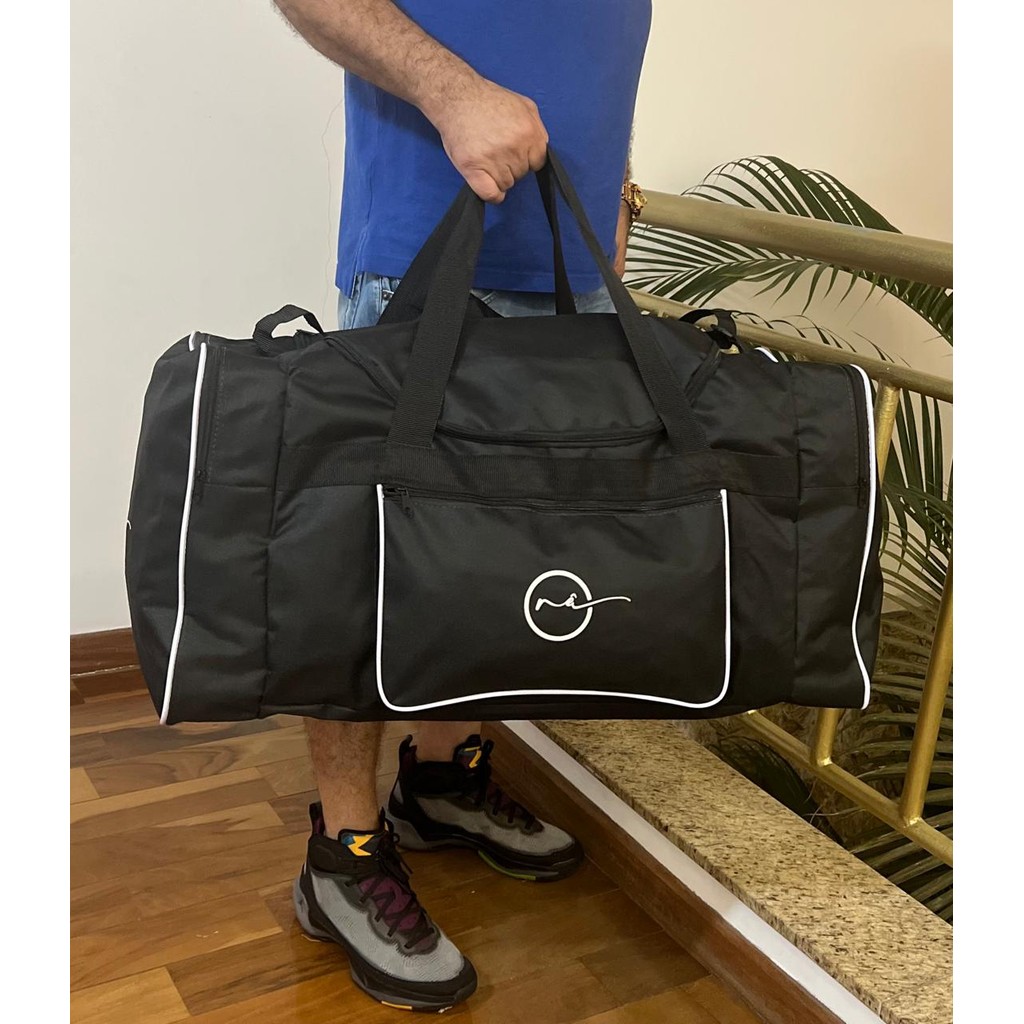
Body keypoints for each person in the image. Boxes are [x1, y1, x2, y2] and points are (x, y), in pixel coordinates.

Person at [274, 0, 652, 1012]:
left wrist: (617, 181)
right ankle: (343, 853)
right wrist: (453, 94)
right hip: (421, 247)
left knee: (497, 558)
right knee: (366, 568)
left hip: (568, 253)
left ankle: (441, 782)